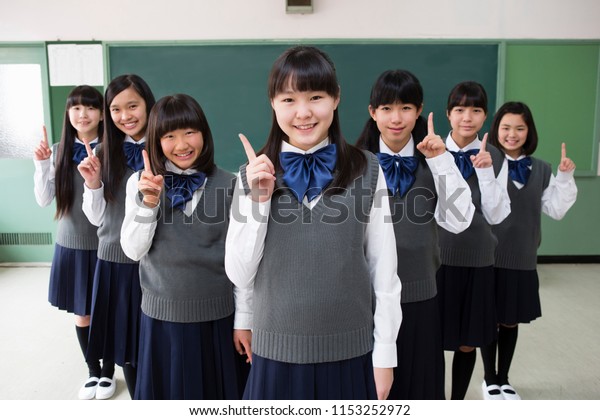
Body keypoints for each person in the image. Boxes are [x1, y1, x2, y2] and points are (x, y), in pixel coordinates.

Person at [225, 45, 402, 400]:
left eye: (316, 96)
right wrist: (258, 200)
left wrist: (385, 354)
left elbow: (384, 270)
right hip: (276, 350)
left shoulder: (368, 170)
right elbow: (240, 274)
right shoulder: (250, 174)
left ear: (336, 99)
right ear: (273, 104)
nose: (303, 113)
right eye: (288, 99)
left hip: (349, 350)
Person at [119, 94, 252, 399]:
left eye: (190, 132)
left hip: (217, 319)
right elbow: (133, 250)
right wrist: (148, 203)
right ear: (155, 139)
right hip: (162, 320)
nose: (181, 145)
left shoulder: (230, 184)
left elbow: (243, 261)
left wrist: (244, 320)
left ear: (204, 133)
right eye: (169, 136)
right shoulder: (139, 182)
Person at [355, 70, 474, 400]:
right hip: (365, 298)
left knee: (418, 388)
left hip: (419, 294)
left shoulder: (435, 161)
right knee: (371, 393)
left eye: (406, 107)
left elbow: (459, 220)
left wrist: (441, 163)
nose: (396, 118)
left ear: (419, 110)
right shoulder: (354, 164)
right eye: (387, 108)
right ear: (372, 112)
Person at [481, 101, 577, 400]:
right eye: (506, 127)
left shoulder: (542, 169)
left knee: (511, 320)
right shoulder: (486, 163)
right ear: (496, 130)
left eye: (519, 128)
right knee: (490, 318)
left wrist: (564, 176)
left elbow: (556, 209)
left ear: (528, 131)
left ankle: (505, 379)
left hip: (522, 257)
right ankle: (489, 380)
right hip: (489, 257)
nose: (512, 134)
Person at [78, 74, 156, 399]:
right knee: (127, 349)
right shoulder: (103, 150)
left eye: (133, 105)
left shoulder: (167, 145)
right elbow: (98, 219)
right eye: (116, 109)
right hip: (114, 261)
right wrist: (93, 183)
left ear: (149, 105)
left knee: (152, 343)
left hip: (155, 260)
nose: (125, 116)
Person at [436, 81, 511, 400]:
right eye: (460, 109)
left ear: (485, 117)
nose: (467, 117)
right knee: (432, 337)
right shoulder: (431, 149)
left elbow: (496, 213)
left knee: (468, 340)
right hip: (436, 257)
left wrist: (485, 172)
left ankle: (457, 404)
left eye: (476, 110)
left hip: (478, 257)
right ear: (448, 114)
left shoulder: (495, 154)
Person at [33, 85, 104, 400]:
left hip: (106, 245)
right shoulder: (58, 150)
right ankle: (94, 372)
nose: (82, 114)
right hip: (72, 244)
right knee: (83, 313)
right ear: (68, 114)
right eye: (75, 108)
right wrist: (41, 165)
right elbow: (44, 200)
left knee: (108, 310)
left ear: (102, 113)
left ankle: (111, 369)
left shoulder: (114, 149)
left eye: (89, 107)